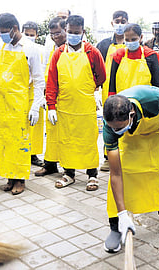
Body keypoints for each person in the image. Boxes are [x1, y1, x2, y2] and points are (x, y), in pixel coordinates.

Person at [102, 85, 159, 253]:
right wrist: (122, 214)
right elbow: (116, 173)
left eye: (119, 128)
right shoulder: (111, 127)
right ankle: (115, 227)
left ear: (131, 115)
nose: (115, 131)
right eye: (113, 128)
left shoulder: (153, 99)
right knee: (126, 172)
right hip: (133, 138)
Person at [0, 13, 44, 195]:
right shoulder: (1, 48)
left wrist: (35, 106)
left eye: (3, 31)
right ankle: (9, 177)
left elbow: (38, 80)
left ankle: (19, 180)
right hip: (1, 103)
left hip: (19, 104)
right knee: (2, 142)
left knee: (18, 143)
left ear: (14, 28)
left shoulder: (30, 49)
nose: (0, 35)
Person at [45, 15, 106, 191]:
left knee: (88, 140)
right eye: (70, 32)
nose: (72, 35)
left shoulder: (92, 52)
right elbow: (52, 81)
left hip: (85, 106)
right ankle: (69, 173)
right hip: (64, 107)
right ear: (66, 31)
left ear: (83, 32)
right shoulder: (58, 53)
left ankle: (92, 174)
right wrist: (51, 106)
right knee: (67, 140)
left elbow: (101, 75)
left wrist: (88, 89)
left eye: (76, 32)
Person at [96, 10, 128, 172]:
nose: (120, 24)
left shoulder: (132, 44)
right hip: (109, 91)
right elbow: (95, 68)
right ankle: (109, 157)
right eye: (117, 21)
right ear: (112, 23)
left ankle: (126, 156)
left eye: (123, 21)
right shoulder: (103, 45)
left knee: (127, 123)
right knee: (109, 123)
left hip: (129, 90)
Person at [35, 16, 67, 177]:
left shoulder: (74, 49)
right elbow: (43, 70)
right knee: (52, 131)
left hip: (68, 97)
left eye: (58, 33)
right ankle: (50, 164)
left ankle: (69, 167)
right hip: (52, 96)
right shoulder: (50, 48)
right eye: (52, 34)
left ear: (66, 31)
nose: (55, 37)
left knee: (67, 133)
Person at [108, 23, 159, 96]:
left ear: (141, 37)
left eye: (133, 39)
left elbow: (157, 84)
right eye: (127, 39)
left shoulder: (150, 55)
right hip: (123, 101)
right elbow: (112, 84)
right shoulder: (118, 55)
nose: (130, 42)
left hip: (145, 101)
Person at [22, 21, 45, 167]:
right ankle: (22, 152)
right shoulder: (18, 48)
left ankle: (34, 154)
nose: (29, 37)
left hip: (36, 91)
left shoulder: (41, 50)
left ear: (37, 36)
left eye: (32, 35)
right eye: (26, 34)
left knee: (36, 126)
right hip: (21, 91)